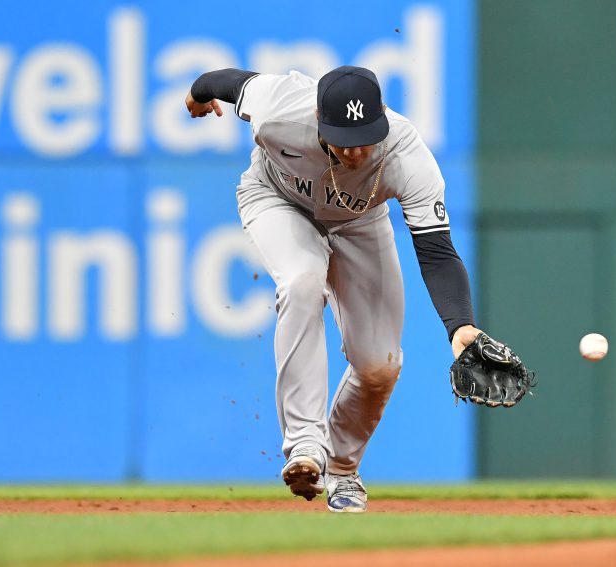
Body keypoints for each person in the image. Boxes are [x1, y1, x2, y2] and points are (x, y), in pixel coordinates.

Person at [186, 66, 483, 513]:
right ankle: (306, 445)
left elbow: (437, 251)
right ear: (318, 118)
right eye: (344, 136)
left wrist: (461, 328)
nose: (357, 149)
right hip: (276, 199)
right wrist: (195, 97)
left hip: (359, 219)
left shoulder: (406, 153)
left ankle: (342, 470)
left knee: (379, 364)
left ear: (382, 114)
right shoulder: (278, 104)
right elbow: (220, 82)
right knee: (303, 280)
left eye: (366, 133)